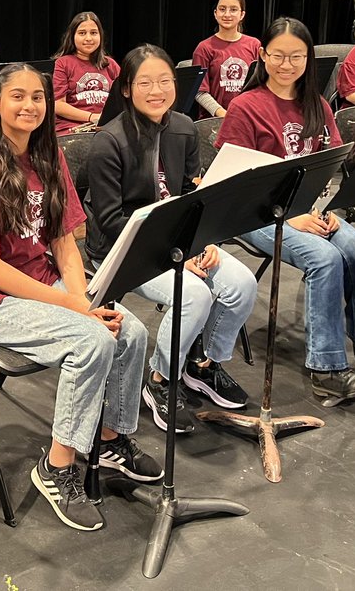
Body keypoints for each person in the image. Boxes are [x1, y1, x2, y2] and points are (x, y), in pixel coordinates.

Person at [0, 63, 161, 532]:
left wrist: (82, 296)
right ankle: (57, 467)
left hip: (42, 278)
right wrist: (72, 307)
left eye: (38, 97)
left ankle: (108, 438)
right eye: (18, 97)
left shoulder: (50, 157)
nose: (29, 106)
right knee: (93, 342)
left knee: (132, 329)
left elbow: (65, 240)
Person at [215, 17, 355, 402]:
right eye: (278, 55)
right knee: (325, 258)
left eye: (296, 56)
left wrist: (320, 207)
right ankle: (326, 369)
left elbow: (328, 162)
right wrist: (288, 214)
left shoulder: (315, 103)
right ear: (262, 56)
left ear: (308, 59)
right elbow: (235, 181)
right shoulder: (245, 106)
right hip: (256, 212)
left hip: (306, 209)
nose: (287, 64)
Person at [85, 44, 257, 434]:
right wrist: (175, 254)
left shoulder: (183, 127)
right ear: (126, 89)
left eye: (164, 80)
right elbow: (111, 222)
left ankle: (203, 365)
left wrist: (202, 240)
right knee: (193, 293)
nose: (156, 90)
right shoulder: (108, 142)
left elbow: (193, 197)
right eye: (144, 82)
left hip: (178, 241)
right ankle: (161, 379)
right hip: (125, 249)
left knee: (242, 284)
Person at [191, 0, 262, 118]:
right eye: (222, 9)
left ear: (242, 15)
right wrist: (223, 114)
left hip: (247, 117)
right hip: (214, 121)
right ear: (215, 13)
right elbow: (199, 91)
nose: (227, 14)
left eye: (233, 9)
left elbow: (261, 86)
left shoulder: (255, 45)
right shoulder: (204, 48)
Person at [51, 11, 120, 135]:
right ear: (72, 36)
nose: (88, 38)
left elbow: (124, 99)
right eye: (82, 33)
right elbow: (58, 105)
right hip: (71, 130)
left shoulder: (110, 64)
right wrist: (92, 117)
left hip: (106, 129)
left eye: (93, 33)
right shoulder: (63, 63)